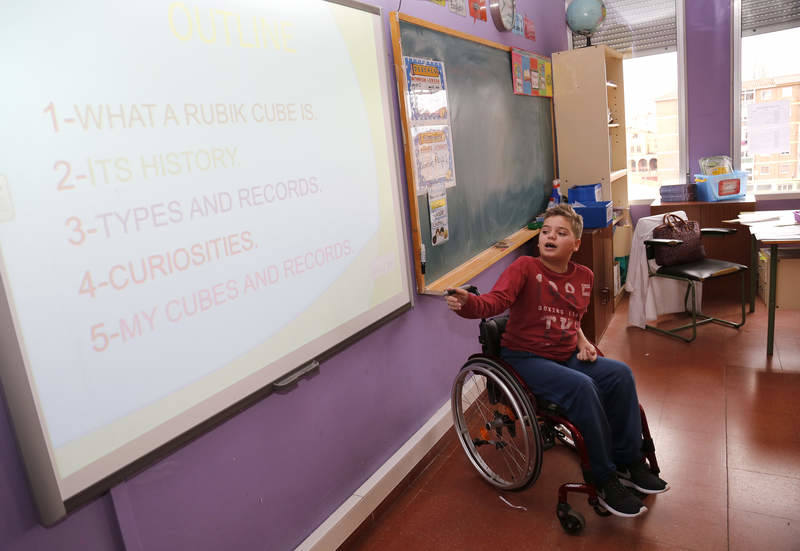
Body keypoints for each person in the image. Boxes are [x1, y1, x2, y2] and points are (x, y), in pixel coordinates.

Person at [446, 204, 668, 518]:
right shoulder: (525, 268)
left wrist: (583, 341)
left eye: (561, 233)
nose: (551, 236)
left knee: (620, 374)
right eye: (546, 232)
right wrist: (469, 303)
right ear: (539, 241)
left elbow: (571, 317)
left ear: (575, 244)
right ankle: (603, 479)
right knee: (582, 386)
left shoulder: (584, 276)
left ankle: (629, 462)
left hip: (564, 354)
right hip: (525, 359)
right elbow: (495, 302)